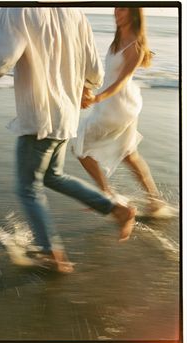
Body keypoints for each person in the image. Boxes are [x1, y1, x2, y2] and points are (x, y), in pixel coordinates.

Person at [0, 7, 136, 273]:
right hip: (66, 116)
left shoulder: (17, 9)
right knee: (53, 176)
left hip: (39, 118)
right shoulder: (76, 15)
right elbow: (94, 74)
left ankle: (52, 254)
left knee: (27, 187)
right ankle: (116, 209)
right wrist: (81, 86)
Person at [73, 7, 169, 217]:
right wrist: (87, 85)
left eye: (123, 8)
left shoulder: (135, 45)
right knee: (129, 154)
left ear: (134, 13)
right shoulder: (117, 39)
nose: (117, 12)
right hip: (113, 103)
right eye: (116, 7)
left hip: (117, 106)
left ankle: (107, 195)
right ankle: (155, 201)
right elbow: (107, 74)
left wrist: (98, 97)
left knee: (80, 147)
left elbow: (120, 81)